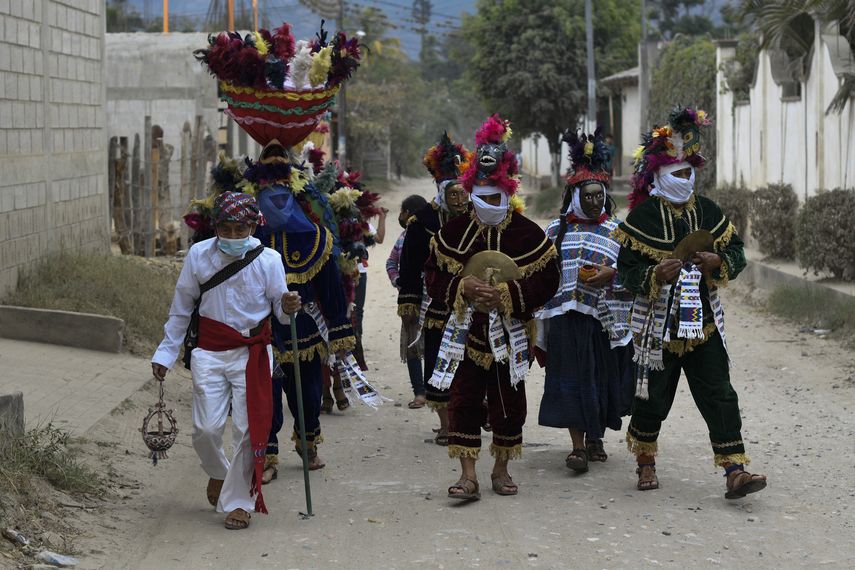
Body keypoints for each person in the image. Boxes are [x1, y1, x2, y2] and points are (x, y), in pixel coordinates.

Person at [613, 107, 767, 499]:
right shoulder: (641, 218)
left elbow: (737, 251)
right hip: (657, 328)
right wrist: (654, 275)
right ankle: (645, 462)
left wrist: (719, 261)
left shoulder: (709, 210)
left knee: (719, 393)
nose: (685, 179)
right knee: (651, 396)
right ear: (659, 176)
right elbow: (626, 270)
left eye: (688, 173)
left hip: (703, 324)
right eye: (677, 174)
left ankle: (735, 470)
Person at [425, 115, 560, 499]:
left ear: (508, 193)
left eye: (495, 198)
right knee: (463, 399)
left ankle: (501, 469)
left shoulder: (529, 234)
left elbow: (549, 280)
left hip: (511, 333)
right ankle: (467, 475)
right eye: (481, 197)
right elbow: (433, 276)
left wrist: (509, 295)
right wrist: (461, 286)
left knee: (509, 403)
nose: (488, 204)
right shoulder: (452, 233)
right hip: (465, 332)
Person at [151, 191, 302, 530]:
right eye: (226, 229)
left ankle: (239, 502)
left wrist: (288, 306)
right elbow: (181, 308)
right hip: (209, 352)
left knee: (248, 430)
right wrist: (166, 352)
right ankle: (219, 472)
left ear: (253, 227)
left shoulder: (269, 260)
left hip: (253, 353)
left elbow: (280, 311)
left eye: (240, 229)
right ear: (215, 227)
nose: (233, 235)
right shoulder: (198, 255)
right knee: (205, 430)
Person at [243, 141, 356, 478]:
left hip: (305, 330)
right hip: (262, 332)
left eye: (283, 191)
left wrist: (339, 329)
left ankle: (308, 445)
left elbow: (330, 290)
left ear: (294, 194)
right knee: (266, 397)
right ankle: (268, 456)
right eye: (269, 192)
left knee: (308, 394)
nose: (276, 200)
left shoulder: (316, 238)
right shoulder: (244, 240)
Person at [536, 130, 635, 474]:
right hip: (565, 320)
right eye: (588, 196)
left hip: (603, 322)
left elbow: (634, 276)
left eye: (599, 196)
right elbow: (541, 271)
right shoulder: (555, 231)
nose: (594, 202)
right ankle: (578, 447)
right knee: (570, 380)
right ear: (575, 196)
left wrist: (612, 275)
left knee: (600, 378)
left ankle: (596, 438)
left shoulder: (618, 232)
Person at [397, 132, 472, 444]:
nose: (458, 200)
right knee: (439, 362)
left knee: (470, 363)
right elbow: (409, 267)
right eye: (452, 193)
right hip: (435, 305)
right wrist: (409, 305)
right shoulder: (422, 221)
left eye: (462, 192)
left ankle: (467, 417)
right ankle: (446, 424)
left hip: (473, 302)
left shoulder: (478, 216)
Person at [387, 194, 429, 408]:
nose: (401, 216)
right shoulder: (403, 237)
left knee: (434, 346)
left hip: (433, 302)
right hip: (410, 302)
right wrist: (399, 282)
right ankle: (419, 392)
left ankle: (434, 390)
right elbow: (391, 262)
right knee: (412, 345)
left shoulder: (435, 235)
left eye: (403, 211)